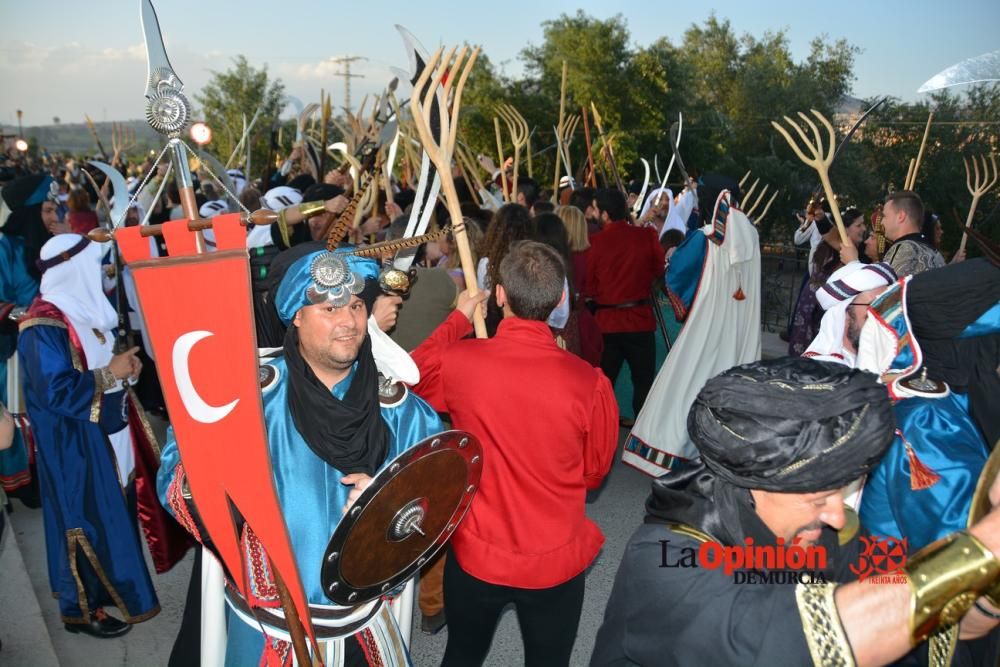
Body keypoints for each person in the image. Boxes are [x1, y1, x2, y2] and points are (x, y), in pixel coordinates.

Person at [593, 356, 1000, 667]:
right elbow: (789, 641)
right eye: (818, 499)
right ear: (756, 485)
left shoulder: (820, 535)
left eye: (838, 496)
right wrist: (982, 546)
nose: (837, 517)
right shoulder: (663, 558)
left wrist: (986, 594)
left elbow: (917, 600)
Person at [158, 246, 444, 665]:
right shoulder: (247, 399)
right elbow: (177, 473)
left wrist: (391, 505)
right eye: (329, 309)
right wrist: (231, 500)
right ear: (296, 316)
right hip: (269, 633)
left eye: (356, 305)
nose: (348, 322)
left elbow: (437, 499)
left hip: (363, 629)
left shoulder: (401, 411)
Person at [411, 240, 619, 666]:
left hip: (477, 552)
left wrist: (458, 318)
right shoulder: (589, 382)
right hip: (554, 558)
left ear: (499, 294)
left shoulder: (462, 362)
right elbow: (594, 473)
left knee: (463, 655)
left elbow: (411, 377)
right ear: (561, 297)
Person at [19, 234, 188, 638]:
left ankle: (107, 588)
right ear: (73, 268)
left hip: (105, 435)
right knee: (82, 523)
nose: (102, 274)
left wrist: (123, 369)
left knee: (111, 518)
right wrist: (113, 371)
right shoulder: (42, 324)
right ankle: (80, 609)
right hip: (74, 444)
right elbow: (55, 390)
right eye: (94, 266)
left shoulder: (79, 312)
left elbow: (96, 366)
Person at [623, 178, 759, 477]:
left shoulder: (705, 237)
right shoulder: (752, 234)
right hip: (739, 332)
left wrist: (671, 259)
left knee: (684, 388)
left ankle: (673, 456)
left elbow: (677, 276)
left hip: (707, 329)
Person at [584, 188, 666, 425]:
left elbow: (589, 285)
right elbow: (658, 271)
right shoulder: (646, 236)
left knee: (603, 383)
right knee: (643, 382)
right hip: (639, 320)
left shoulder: (595, 242)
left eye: (597, 209)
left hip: (608, 323)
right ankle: (643, 433)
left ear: (606, 214)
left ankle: (600, 429)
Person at [788, 207, 866, 356]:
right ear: (845, 230)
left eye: (863, 224)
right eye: (859, 225)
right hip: (815, 306)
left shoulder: (857, 251)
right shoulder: (836, 248)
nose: (864, 228)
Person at [880, 190, 945, 276]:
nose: (882, 222)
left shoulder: (904, 250)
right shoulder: (935, 253)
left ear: (901, 216)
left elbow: (889, 287)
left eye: (885, 216)